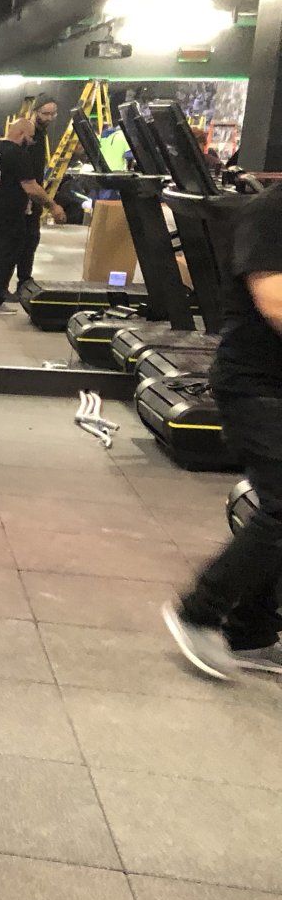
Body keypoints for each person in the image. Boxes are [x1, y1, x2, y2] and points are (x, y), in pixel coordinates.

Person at [164, 183, 282, 677]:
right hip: (257, 387)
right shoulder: (272, 210)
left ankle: (249, 631)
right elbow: (274, 300)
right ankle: (198, 612)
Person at [0, 115, 64, 312]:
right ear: (21, 133)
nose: (32, 141)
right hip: (8, 214)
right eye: (31, 137)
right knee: (9, 256)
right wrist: (53, 206)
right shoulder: (19, 155)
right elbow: (31, 187)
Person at [13, 96, 59, 299]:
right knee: (17, 244)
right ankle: (2, 288)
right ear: (35, 111)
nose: (49, 118)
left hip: (33, 199)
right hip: (23, 200)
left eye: (52, 114)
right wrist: (51, 204)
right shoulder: (31, 137)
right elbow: (27, 178)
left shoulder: (41, 135)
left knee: (30, 241)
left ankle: (23, 283)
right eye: (45, 113)